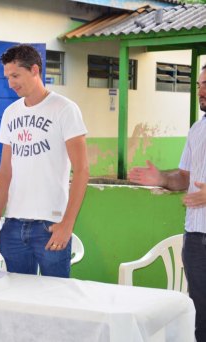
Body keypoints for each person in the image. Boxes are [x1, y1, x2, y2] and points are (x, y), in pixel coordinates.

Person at [0, 44, 89, 277]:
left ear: (34, 70)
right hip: (12, 225)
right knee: (19, 302)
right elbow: (4, 173)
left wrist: (67, 225)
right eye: (7, 77)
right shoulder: (11, 113)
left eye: (15, 75)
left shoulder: (64, 109)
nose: (10, 83)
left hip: (50, 225)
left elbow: (82, 171)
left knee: (55, 300)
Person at [128, 64, 206, 342]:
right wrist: (161, 177)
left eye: (205, 84)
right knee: (200, 317)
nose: (201, 91)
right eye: (198, 84)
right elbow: (185, 177)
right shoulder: (198, 129)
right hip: (197, 240)